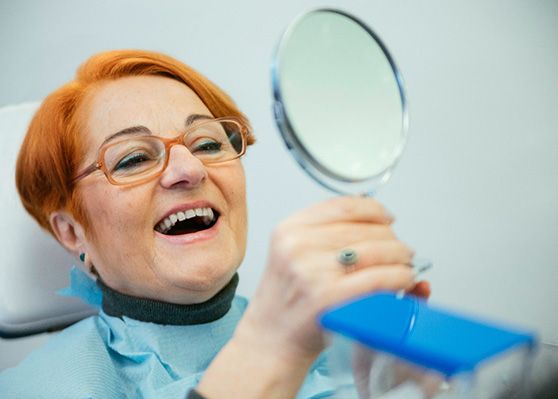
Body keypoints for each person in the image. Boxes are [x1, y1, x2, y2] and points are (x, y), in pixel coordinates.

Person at [0, 49, 429, 398]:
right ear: (72, 231)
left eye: (207, 142)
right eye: (133, 158)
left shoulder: (333, 341)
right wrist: (269, 352)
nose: (189, 168)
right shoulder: (39, 389)